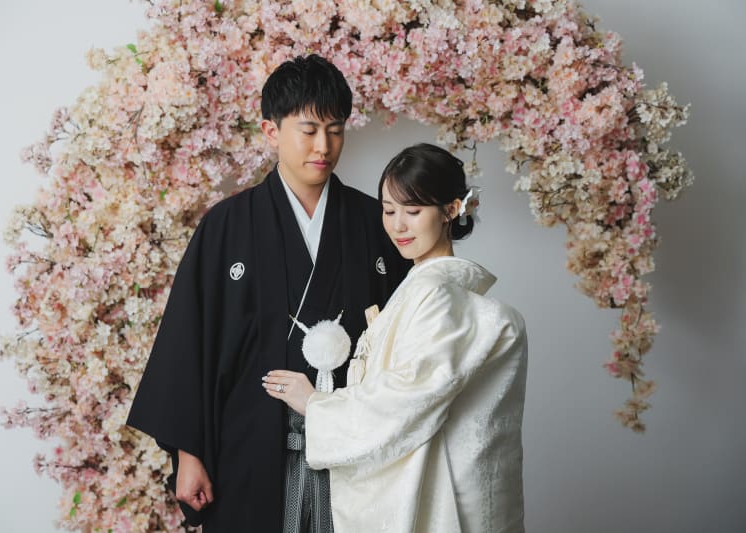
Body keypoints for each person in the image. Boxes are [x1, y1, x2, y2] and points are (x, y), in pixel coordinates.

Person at [126, 55, 410, 532]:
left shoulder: (373, 221)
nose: (324, 146)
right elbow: (189, 341)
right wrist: (189, 454)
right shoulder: (227, 226)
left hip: (353, 449)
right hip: (247, 446)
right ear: (270, 131)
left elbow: (405, 340)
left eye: (335, 130)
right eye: (309, 130)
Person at [264, 143, 528, 533]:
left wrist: (316, 406)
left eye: (413, 211)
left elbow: (409, 397)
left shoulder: (437, 295)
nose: (398, 226)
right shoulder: (426, 290)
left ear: (451, 209)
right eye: (389, 211)